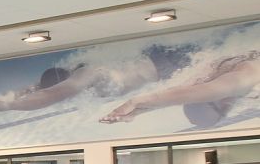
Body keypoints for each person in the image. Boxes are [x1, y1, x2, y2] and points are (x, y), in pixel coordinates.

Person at [0, 44, 196, 112]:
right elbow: (39, 87)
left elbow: (51, 94)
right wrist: (8, 98)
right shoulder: (78, 70)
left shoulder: (83, 76)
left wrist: (10, 105)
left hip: (165, 64)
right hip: (156, 60)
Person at [101, 51, 260, 126]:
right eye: (224, 112)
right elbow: (178, 95)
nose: (228, 107)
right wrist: (135, 110)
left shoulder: (239, 83)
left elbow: (189, 93)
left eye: (222, 110)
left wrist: (135, 103)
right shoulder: (241, 83)